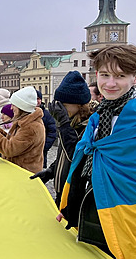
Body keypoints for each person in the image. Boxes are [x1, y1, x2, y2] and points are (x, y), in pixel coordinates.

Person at [59, 45, 136, 259]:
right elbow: (85, 164)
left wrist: (125, 243)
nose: (110, 83)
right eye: (105, 75)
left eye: (120, 76)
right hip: (92, 215)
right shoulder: (97, 116)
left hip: (129, 223)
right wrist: (69, 205)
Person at [30, 71, 93, 207]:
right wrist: (51, 171)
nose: (60, 108)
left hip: (75, 196)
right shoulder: (71, 122)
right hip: (61, 192)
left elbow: (76, 156)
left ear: (79, 104)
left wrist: (63, 124)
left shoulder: (88, 126)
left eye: (63, 104)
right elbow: (64, 154)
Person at [0, 86, 45, 173]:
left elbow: (10, 149)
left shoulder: (31, 127)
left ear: (21, 107)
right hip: (18, 169)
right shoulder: (24, 120)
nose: (11, 108)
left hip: (23, 172)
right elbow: (14, 140)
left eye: (14, 105)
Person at [35, 90, 57, 167]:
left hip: (41, 153)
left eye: (38, 98)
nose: (37, 101)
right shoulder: (25, 113)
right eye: (34, 98)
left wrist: (44, 147)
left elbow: (52, 132)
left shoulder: (47, 114)